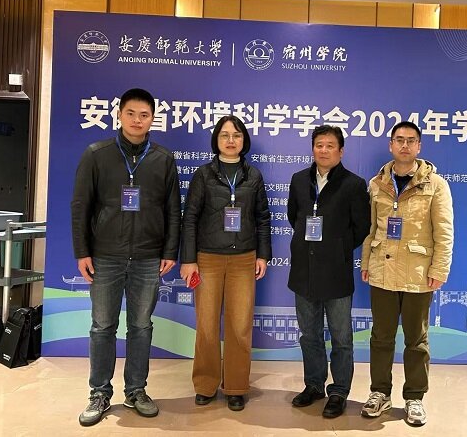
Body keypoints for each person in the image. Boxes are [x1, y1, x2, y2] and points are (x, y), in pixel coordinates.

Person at [71, 88, 181, 426]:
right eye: (131, 113)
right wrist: (82, 251)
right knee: (102, 326)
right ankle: (99, 393)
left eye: (144, 115)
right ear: (119, 115)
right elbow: (81, 206)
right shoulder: (97, 154)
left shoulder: (163, 158)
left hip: (148, 257)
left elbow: (173, 209)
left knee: (141, 326)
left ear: (152, 119)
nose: (137, 120)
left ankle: (135, 390)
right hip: (106, 256)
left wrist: (169, 251)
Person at [360, 121, 454, 427]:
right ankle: (379, 393)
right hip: (382, 271)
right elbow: (371, 229)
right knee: (381, 337)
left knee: (416, 340)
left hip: (418, 274)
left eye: (410, 140)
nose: (404, 145)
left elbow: (444, 232)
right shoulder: (377, 184)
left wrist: (439, 269)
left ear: (419, 146)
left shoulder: (435, 185)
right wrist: (366, 262)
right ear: (390, 145)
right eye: (399, 140)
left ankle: (415, 397)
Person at [180, 115, 271, 411]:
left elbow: (262, 218)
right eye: (225, 135)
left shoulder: (253, 176)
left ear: (244, 140)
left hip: (244, 259)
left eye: (237, 135)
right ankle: (205, 384)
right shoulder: (204, 174)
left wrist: (262, 255)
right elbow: (190, 218)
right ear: (216, 140)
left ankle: (236, 386)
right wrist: (189, 260)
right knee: (206, 326)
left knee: (239, 326)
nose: (231, 140)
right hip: (207, 259)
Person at [287, 125, 371, 418]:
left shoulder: (353, 184)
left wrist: (337, 247)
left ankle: (339, 391)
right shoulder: (299, 180)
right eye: (319, 145)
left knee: (341, 337)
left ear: (341, 151)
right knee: (309, 334)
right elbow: (293, 216)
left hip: (336, 271)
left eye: (330, 145)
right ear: (313, 148)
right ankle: (314, 385)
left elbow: (361, 227)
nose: (323, 150)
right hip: (304, 270)